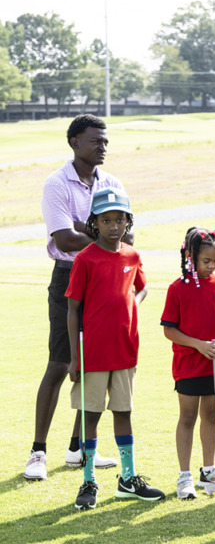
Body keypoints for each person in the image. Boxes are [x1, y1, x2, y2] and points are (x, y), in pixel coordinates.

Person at [25, 114, 126, 481]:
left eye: (105, 141)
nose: (103, 146)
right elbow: (64, 239)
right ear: (74, 142)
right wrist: (103, 240)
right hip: (69, 277)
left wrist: (103, 239)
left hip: (107, 281)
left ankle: (79, 447)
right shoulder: (57, 183)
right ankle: (38, 451)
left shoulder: (111, 183)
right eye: (95, 140)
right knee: (60, 362)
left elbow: (127, 234)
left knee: (95, 365)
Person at [66, 187, 164, 509]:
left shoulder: (132, 256)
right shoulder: (85, 259)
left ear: (127, 222)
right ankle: (89, 481)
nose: (112, 227)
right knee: (90, 416)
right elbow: (72, 310)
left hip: (125, 351)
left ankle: (128, 479)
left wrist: (132, 305)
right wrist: (74, 357)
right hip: (92, 354)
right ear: (95, 222)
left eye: (118, 220)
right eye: (105, 220)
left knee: (124, 412)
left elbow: (143, 288)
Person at [161, 227, 215, 500]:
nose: (212, 266)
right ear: (191, 257)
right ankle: (184, 477)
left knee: (211, 415)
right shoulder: (177, 289)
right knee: (188, 417)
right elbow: (169, 329)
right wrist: (198, 345)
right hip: (189, 363)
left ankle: (209, 471)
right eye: (206, 261)